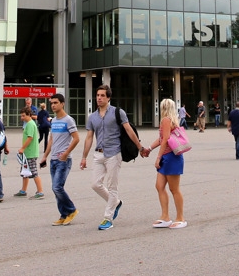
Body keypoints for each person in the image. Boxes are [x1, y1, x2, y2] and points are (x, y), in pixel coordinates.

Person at [79, 84, 147, 230]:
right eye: (98, 95)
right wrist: (84, 157)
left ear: (108, 97)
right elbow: (89, 138)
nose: (99, 98)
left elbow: (129, 130)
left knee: (112, 186)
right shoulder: (93, 117)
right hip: (98, 154)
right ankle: (116, 202)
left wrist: (140, 147)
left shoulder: (117, 112)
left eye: (102, 95)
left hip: (114, 154)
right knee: (95, 184)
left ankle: (107, 218)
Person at [146, 98, 186, 229]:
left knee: (174, 189)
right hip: (167, 156)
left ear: (163, 107)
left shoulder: (166, 120)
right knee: (159, 186)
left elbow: (165, 140)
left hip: (171, 157)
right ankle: (165, 216)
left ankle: (180, 217)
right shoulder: (170, 120)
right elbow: (161, 139)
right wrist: (149, 149)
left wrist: (157, 158)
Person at [40, 93, 79, 225]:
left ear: (62, 104)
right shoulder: (54, 121)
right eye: (51, 103)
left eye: (56, 102)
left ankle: (72, 210)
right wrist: (45, 156)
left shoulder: (68, 120)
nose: (53, 105)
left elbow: (76, 138)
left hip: (64, 160)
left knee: (57, 187)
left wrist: (66, 153)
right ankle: (63, 215)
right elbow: (51, 139)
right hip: (53, 160)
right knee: (55, 188)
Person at [15, 106, 45, 200]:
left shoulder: (30, 124)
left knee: (33, 172)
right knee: (25, 172)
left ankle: (40, 191)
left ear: (29, 115)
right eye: (21, 116)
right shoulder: (28, 124)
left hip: (30, 152)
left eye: (23, 116)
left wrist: (22, 148)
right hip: (27, 153)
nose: (22, 118)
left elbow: (30, 137)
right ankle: (23, 190)